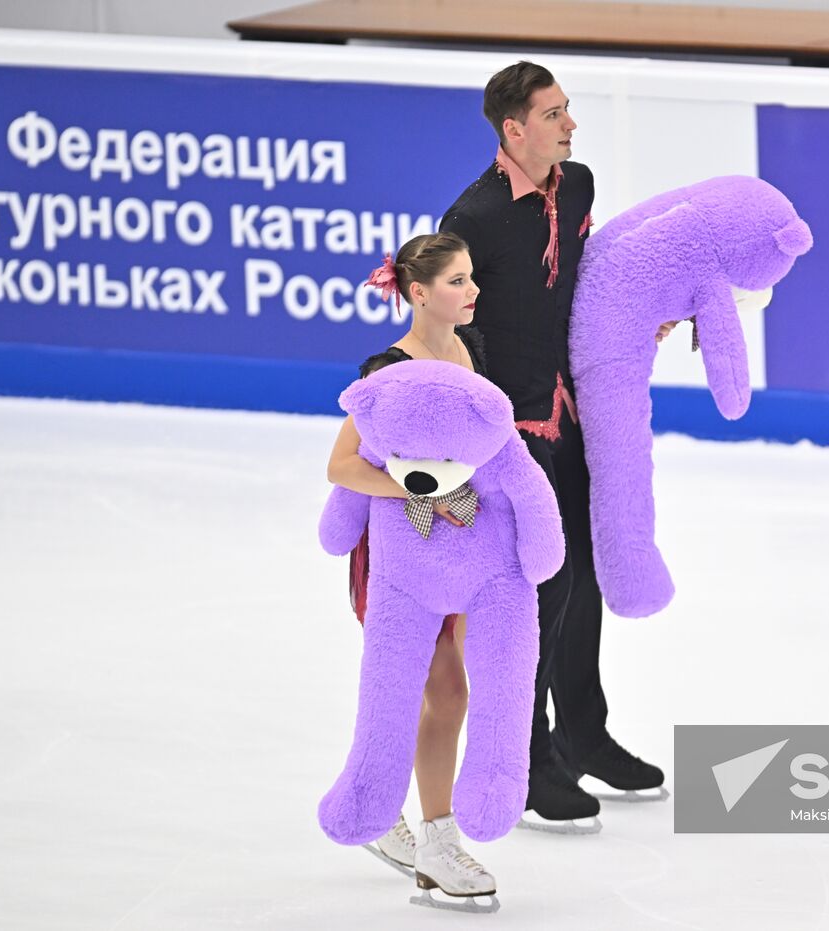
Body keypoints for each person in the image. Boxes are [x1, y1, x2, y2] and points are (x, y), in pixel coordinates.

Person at [439, 61, 667, 832]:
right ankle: (530, 757)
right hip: (511, 434)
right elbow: (450, 330)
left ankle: (583, 732)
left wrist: (646, 320)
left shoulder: (579, 187)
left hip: (571, 414)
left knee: (588, 574)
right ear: (514, 129)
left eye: (568, 110)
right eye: (555, 114)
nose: (571, 125)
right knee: (541, 589)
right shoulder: (471, 218)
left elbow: (590, 279)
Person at [325, 231, 497, 906]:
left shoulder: (469, 349)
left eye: (471, 277)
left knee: (441, 691)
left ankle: (395, 816)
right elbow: (343, 466)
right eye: (458, 281)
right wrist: (424, 490)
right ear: (418, 292)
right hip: (399, 557)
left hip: (455, 551)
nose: (473, 290)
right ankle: (436, 840)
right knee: (443, 690)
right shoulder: (386, 369)